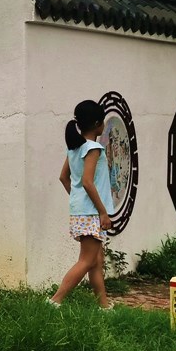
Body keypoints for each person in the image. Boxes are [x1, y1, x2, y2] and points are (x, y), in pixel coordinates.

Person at [48, 99, 115, 309]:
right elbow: (87, 181)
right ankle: (54, 301)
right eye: (102, 120)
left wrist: (78, 200)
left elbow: (63, 177)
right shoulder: (93, 148)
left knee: (96, 261)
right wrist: (103, 212)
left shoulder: (75, 148)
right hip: (92, 213)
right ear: (96, 123)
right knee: (86, 261)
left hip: (81, 212)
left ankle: (103, 307)